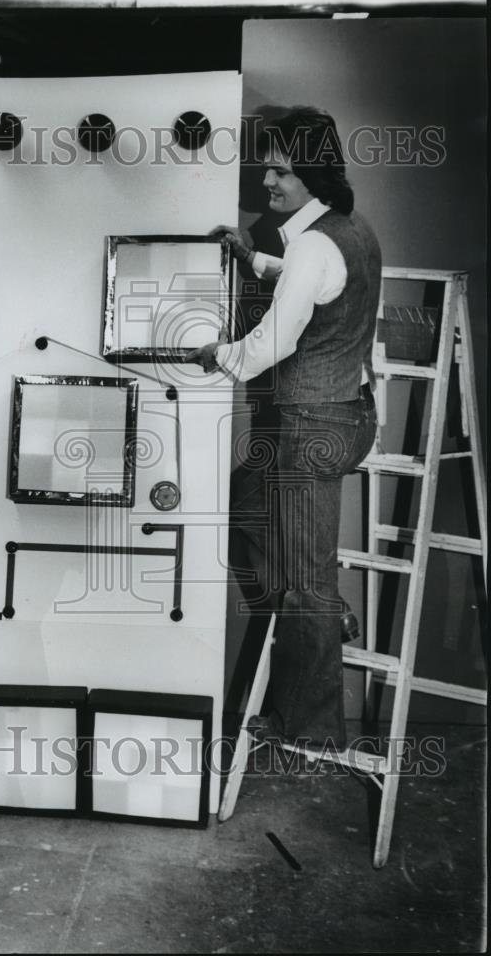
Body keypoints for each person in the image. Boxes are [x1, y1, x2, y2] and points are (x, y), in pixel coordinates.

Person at [187, 108, 381, 750]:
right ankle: (330, 612)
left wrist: (220, 353)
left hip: (311, 430)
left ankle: (312, 730)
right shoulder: (350, 230)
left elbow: (271, 341)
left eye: (280, 171)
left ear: (313, 175)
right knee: (244, 504)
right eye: (267, 166)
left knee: (305, 585)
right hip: (348, 418)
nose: (266, 181)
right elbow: (317, 285)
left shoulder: (313, 245)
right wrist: (256, 260)